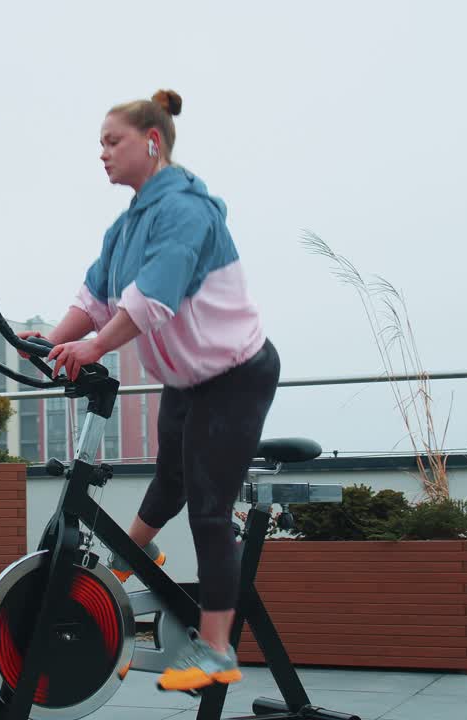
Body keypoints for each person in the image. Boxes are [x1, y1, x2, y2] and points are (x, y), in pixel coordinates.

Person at [19, 89, 281, 692]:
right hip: (189, 380)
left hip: (238, 377)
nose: (103, 155)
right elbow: (94, 297)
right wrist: (51, 345)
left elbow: (152, 300)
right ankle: (132, 559)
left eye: (113, 142)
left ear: (153, 141)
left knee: (210, 513)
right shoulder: (126, 226)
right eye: (100, 145)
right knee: (169, 480)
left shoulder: (187, 211)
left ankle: (217, 655)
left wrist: (93, 348)